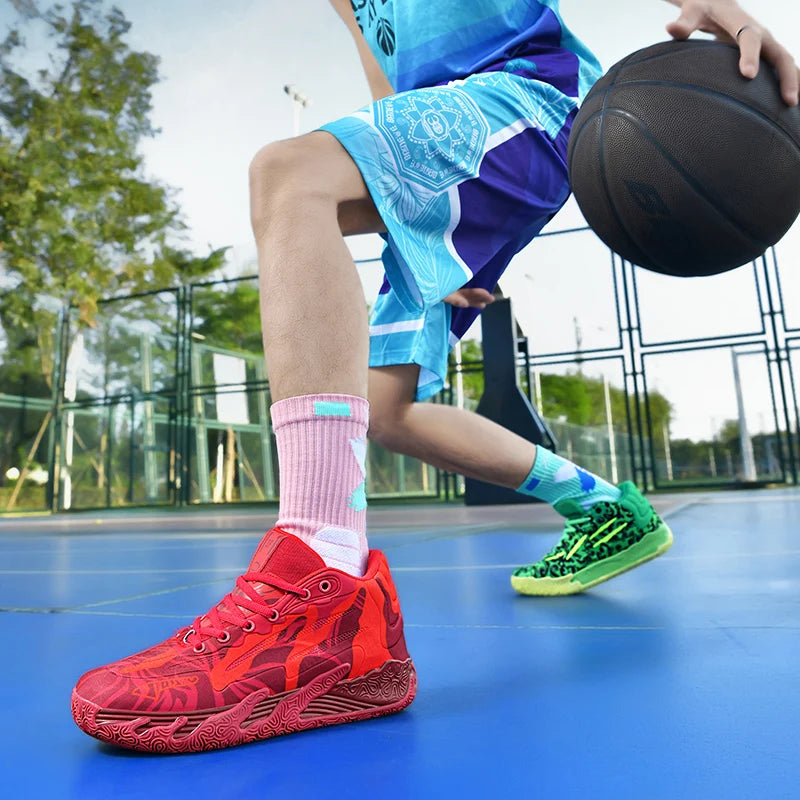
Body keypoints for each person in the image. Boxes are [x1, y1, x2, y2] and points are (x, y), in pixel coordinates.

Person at [71, 0, 799, 752]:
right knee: (388, 407)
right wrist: (413, 210)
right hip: (446, 137)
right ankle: (606, 508)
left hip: (529, 100)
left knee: (290, 174)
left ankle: (320, 585)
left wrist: (722, 10)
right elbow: (387, 81)